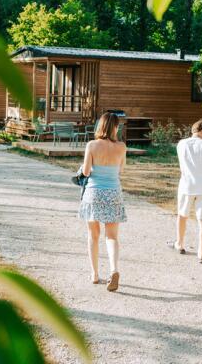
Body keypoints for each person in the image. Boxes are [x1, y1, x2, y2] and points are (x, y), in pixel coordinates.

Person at [79, 112, 127, 292]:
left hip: (94, 193)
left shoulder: (92, 145)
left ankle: (94, 274)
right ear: (115, 127)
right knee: (112, 236)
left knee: (93, 235)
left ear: (100, 125)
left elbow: (86, 171)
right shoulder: (121, 147)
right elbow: (121, 170)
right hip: (113, 192)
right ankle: (114, 270)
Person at [168, 120, 202, 263]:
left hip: (186, 184)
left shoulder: (181, 144)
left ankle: (179, 243)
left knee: (182, 215)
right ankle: (201, 252)